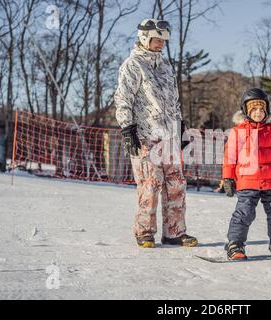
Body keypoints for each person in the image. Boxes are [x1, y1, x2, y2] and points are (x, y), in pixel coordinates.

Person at [114, 19, 197, 248]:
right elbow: (123, 100)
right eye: (156, 39)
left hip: (169, 135)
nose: (160, 44)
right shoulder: (132, 65)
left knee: (176, 183)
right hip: (145, 135)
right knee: (150, 184)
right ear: (144, 38)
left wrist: (180, 127)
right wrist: (128, 128)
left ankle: (174, 231)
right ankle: (145, 232)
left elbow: (174, 101)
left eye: (162, 40)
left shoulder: (166, 66)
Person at [222, 88, 271, 260]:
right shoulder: (238, 131)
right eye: (253, 109)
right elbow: (229, 157)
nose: (258, 113)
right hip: (247, 181)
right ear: (246, 111)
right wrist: (227, 178)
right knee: (244, 212)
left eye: (261, 109)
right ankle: (235, 244)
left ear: (267, 111)